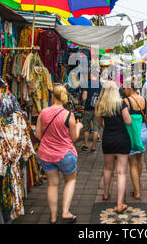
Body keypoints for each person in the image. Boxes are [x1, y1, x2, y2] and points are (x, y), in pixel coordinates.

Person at [35, 85, 83, 224]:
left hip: (46, 154)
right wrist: (78, 127)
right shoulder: (69, 115)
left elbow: (38, 135)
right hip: (65, 155)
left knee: (52, 184)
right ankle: (66, 212)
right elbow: (73, 138)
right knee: (70, 180)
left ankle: (53, 217)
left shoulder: (43, 112)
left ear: (52, 97)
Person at [95, 81, 132, 213]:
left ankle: (105, 194)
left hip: (108, 139)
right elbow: (128, 121)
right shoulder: (121, 103)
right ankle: (120, 204)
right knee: (121, 172)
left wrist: (108, 128)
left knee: (108, 168)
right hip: (122, 139)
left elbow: (100, 123)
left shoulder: (101, 104)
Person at [123, 83, 147, 200]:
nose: (123, 90)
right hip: (144, 133)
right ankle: (137, 184)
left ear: (130, 88)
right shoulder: (144, 101)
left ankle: (137, 191)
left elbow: (123, 119)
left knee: (132, 163)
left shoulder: (126, 101)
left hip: (132, 135)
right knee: (139, 159)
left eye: (125, 88)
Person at [81, 70, 102, 153]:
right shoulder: (99, 84)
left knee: (86, 128)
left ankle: (86, 145)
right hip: (97, 109)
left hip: (88, 108)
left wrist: (83, 103)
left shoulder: (87, 83)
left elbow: (84, 97)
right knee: (96, 129)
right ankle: (93, 148)